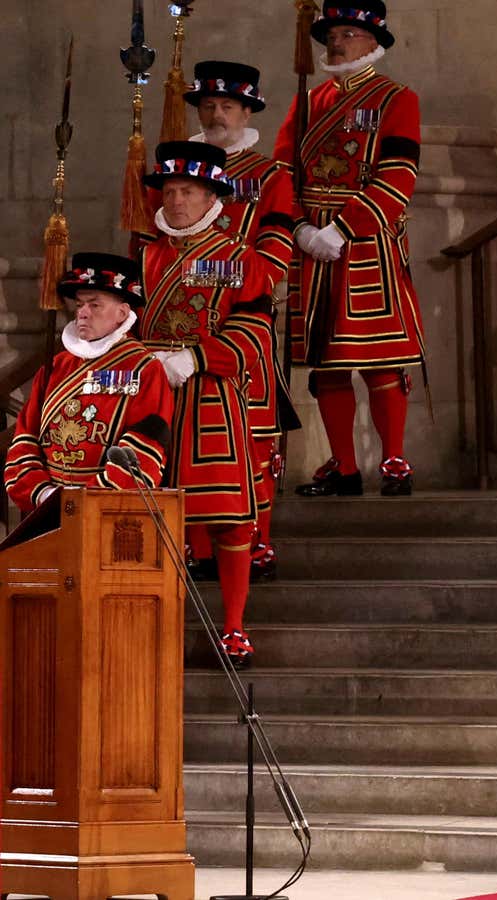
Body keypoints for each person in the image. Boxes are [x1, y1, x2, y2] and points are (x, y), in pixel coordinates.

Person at [275, 0, 425, 497]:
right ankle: (343, 465)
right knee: (328, 362)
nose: (336, 43)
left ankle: (395, 461)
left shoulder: (397, 98)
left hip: (366, 244)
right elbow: (282, 173)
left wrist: (342, 228)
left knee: (381, 360)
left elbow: (398, 175)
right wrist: (297, 228)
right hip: (311, 245)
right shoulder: (307, 101)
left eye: (347, 34)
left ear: (374, 41)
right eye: (332, 35)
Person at [139, 140, 276, 668]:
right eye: (170, 191)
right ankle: (160, 621)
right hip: (152, 401)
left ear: (210, 195)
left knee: (227, 518)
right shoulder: (146, 256)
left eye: (187, 191)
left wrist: (196, 358)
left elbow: (255, 332)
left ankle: (236, 626)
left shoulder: (241, 259)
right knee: (155, 516)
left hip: (213, 399)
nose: (176, 201)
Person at [183, 59, 298, 580]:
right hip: (180, 329)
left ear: (248, 109)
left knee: (253, 436)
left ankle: (258, 544)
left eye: (227, 105)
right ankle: (199, 549)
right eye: (208, 104)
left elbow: (272, 261)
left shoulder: (271, 177)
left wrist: (205, 269)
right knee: (186, 439)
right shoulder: (176, 177)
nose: (216, 113)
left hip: (243, 324)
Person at [5, 253, 172, 512]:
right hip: (47, 510)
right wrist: (44, 494)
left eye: (95, 305)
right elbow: (25, 439)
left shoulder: (144, 369)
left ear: (121, 312)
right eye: (80, 304)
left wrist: (83, 502)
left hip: (108, 513)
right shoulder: (55, 367)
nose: (82, 313)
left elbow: (144, 451)